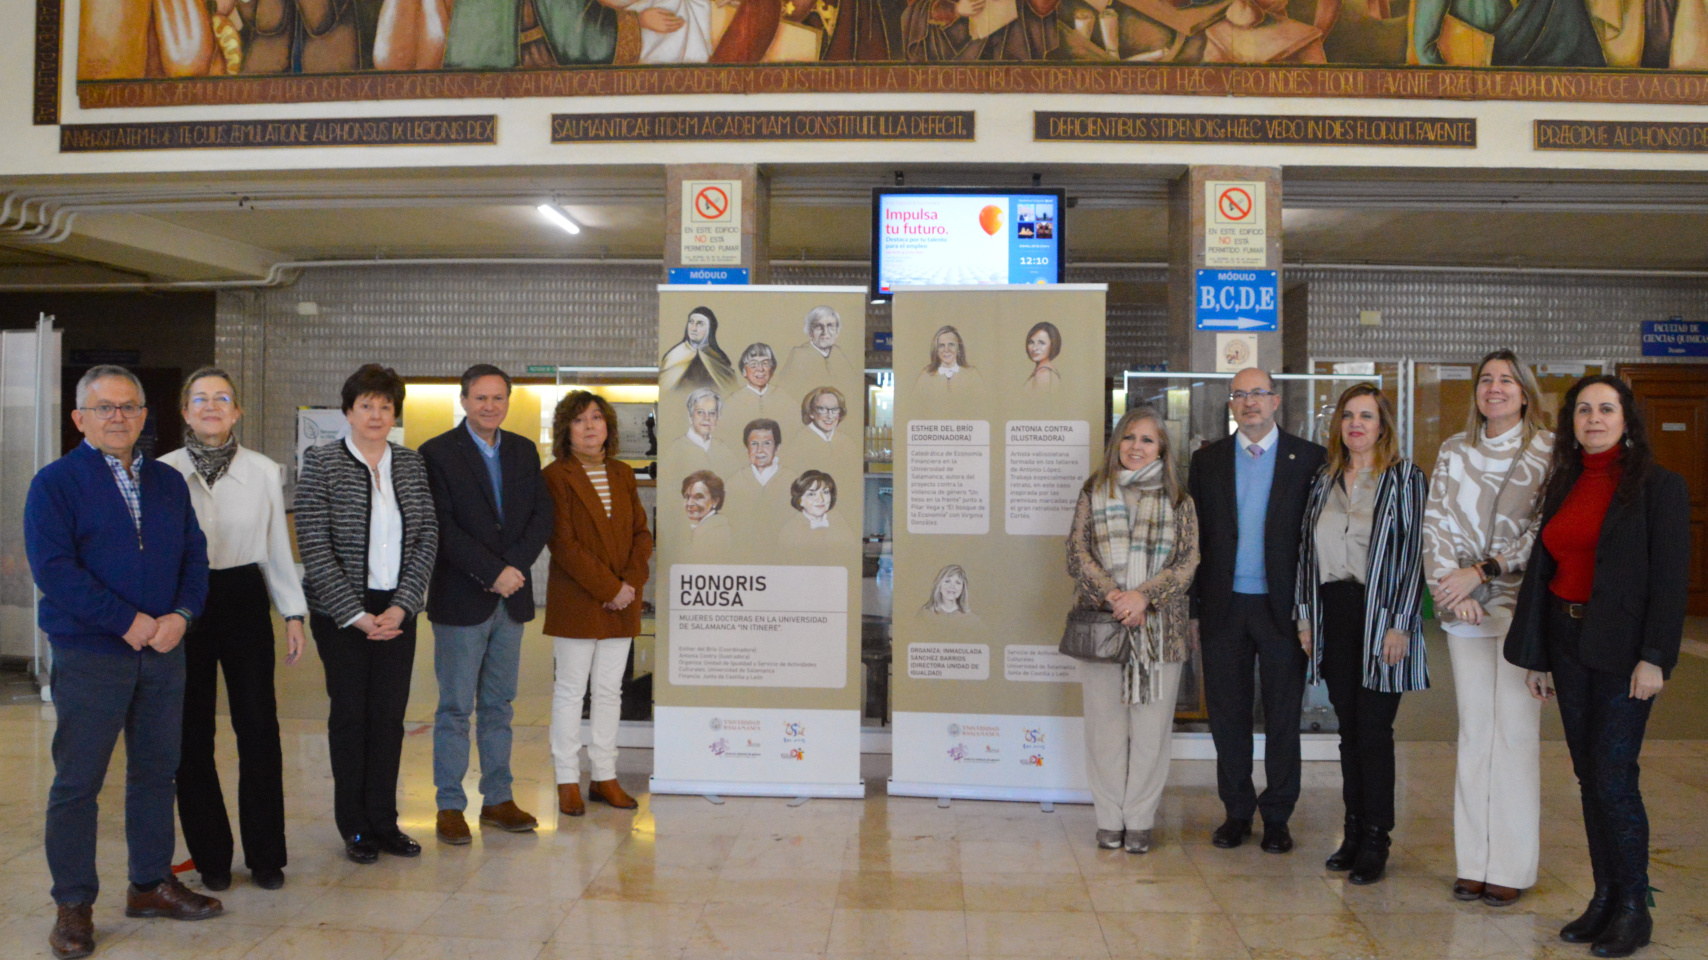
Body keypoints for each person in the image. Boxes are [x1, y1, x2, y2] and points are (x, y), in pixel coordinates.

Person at [26, 365, 221, 960]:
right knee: (78, 784)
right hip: (92, 654)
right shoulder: (55, 483)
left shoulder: (166, 481)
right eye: (105, 408)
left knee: (155, 773)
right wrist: (128, 622)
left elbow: (195, 557)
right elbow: (55, 571)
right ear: (80, 417)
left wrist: (181, 617)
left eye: (129, 407)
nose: (119, 417)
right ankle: (74, 905)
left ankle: (149, 884)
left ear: (144, 415)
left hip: (164, 652)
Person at [1504, 375, 1689, 958]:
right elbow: (1543, 571)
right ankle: (1604, 896)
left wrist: (1655, 657)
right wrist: (1537, 656)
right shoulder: (1562, 482)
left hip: (1625, 651)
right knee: (1589, 778)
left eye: (1606, 409)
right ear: (1572, 422)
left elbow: (1670, 582)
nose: (1594, 418)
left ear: (1626, 419)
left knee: (1613, 777)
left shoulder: (1660, 487)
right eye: (1583, 410)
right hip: (1567, 641)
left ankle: (1635, 907)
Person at [158, 368, 305, 893]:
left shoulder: (265, 471)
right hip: (184, 603)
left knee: (258, 728)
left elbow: (277, 548)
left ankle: (266, 855)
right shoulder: (162, 472)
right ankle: (212, 858)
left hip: (243, 597)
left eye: (223, 398)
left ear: (237, 411)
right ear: (185, 411)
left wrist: (292, 612)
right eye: (200, 399)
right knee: (190, 734)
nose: (212, 406)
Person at [1421, 350, 1554, 906]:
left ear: (1525, 393)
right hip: (1466, 612)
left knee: (1516, 736)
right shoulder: (1455, 449)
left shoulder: (1549, 450)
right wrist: (1452, 592)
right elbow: (1436, 525)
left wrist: (1485, 572)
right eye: (1485, 380)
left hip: (1524, 609)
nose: (1494, 388)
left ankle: (1512, 866)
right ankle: (1473, 860)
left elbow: (1544, 531)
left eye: (1506, 380)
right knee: (1476, 735)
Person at [295, 364, 439, 866]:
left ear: (395, 413)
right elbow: (314, 544)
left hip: (397, 610)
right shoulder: (322, 463)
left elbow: (426, 537)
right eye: (366, 405)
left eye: (384, 406)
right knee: (351, 716)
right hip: (343, 615)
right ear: (348, 411)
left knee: (389, 718)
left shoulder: (411, 463)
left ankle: (385, 821)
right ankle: (354, 826)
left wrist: (403, 605)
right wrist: (355, 615)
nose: (376, 415)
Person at [1187, 367, 1326, 854]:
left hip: (1283, 609)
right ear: (1231, 405)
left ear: (1276, 400)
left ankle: (1278, 816)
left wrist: (1312, 612)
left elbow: (1315, 543)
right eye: (1240, 395)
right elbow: (1195, 541)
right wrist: (1193, 610)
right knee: (1228, 716)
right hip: (1224, 607)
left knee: (1284, 716)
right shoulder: (1206, 461)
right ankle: (1237, 811)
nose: (1250, 403)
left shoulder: (1310, 460)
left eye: (1258, 393)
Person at [1295, 384, 1429, 886]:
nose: (1356, 424)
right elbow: (1307, 554)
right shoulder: (1323, 478)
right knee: (1348, 732)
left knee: (1374, 731)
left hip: (1382, 617)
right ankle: (1351, 832)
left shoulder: (1405, 478)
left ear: (1383, 425)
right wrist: (1306, 618)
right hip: (1333, 612)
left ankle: (1377, 838)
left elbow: (1414, 554)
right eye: (1349, 415)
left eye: (1366, 416)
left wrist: (1401, 623)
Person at [419, 365, 555, 846]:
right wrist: (491, 572)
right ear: (463, 400)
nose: (490, 406)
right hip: (461, 599)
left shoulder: (522, 449)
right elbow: (441, 526)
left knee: (499, 706)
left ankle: (498, 799)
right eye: (480, 398)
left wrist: (512, 569)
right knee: (455, 708)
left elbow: (542, 515)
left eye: (498, 398)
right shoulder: (436, 453)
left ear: (508, 401)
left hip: (510, 598)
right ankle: (450, 805)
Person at [1068, 406, 1200, 855]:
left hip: (1161, 629)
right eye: (1129, 437)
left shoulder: (1179, 498)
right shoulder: (1094, 490)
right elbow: (1077, 554)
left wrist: (1144, 597)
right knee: (1104, 730)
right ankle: (1109, 820)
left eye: (1147, 439)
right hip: (1104, 627)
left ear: (1162, 447)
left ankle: (1139, 820)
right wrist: (1116, 597)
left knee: (1150, 731)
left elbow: (1188, 563)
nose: (1136, 447)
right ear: (1116, 443)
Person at [543, 391, 654, 817]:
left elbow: (642, 535)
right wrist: (610, 588)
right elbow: (564, 545)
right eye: (579, 420)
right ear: (565, 430)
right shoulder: (555, 475)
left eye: (596, 418)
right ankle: (567, 779)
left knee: (610, 692)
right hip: (579, 597)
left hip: (622, 598)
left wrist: (628, 584)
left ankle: (605, 776)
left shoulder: (623, 473)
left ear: (608, 425)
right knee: (571, 692)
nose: (590, 427)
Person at [659, 306, 739, 394]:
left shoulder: (719, 359)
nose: (693, 328)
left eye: (700, 324)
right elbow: (665, 391)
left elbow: (731, 390)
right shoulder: (674, 356)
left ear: (710, 328)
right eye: (691, 322)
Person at [780, 306, 858, 389]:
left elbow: (853, 383)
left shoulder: (837, 352)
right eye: (818, 326)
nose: (825, 332)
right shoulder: (799, 354)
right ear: (810, 331)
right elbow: (787, 387)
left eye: (830, 326)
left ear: (837, 331)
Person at [725, 418, 787, 521]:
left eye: (766, 443)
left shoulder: (790, 480)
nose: (760, 450)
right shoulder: (734, 482)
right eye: (754, 444)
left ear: (777, 448)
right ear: (746, 448)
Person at [670, 388, 738, 474]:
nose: (707, 418)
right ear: (690, 416)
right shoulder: (677, 448)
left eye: (712, 413)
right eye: (700, 412)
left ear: (717, 418)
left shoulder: (722, 448)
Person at [791, 385, 858, 473]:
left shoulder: (847, 442)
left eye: (835, 409)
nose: (829, 416)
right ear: (811, 412)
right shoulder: (800, 441)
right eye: (822, 409)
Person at [778, 469, 849, 548]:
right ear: (800, 500)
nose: (821, 499)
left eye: (825, 492)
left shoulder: (839, 522)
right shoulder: (790, 530)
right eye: (812, 494)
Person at [912, 325, 986, 400]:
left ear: (959, 348)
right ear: (936, 350)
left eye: (951, 344)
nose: (946, 350)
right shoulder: (926, 374)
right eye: (941, 345)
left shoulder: (972, 374)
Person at [723, 342, 783, 427]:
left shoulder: (782, 397)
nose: (760, 369)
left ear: (772, 370)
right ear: (744, 371)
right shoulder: (733, 401)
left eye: (765, 363)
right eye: (753, 364)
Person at [680, 470, 732, 558]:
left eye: (698, 497)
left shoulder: (717, 532)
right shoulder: (705, 528)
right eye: (687, 497)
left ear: (714, 501)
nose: (690, 503)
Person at [1024, 321, 1062, 393]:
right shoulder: (1044, 370)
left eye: (1041, 343)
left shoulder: (1043, 373)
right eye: (1031, 342)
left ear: (1052, 345)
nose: (1034, 348)